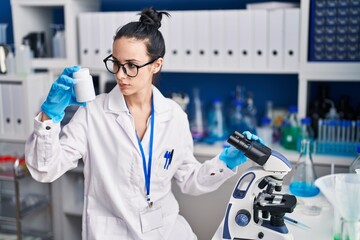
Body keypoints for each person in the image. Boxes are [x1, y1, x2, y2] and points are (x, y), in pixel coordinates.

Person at [25, 7, 263, 240]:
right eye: (116, 63)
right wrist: (49, 116)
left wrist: (223, 163)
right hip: (110, 233)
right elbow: (45, 170)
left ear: (156, 65)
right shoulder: (94, 113)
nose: (119, 74)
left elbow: (189, 179)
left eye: (131, 65)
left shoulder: (174, 115)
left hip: (167, 230)